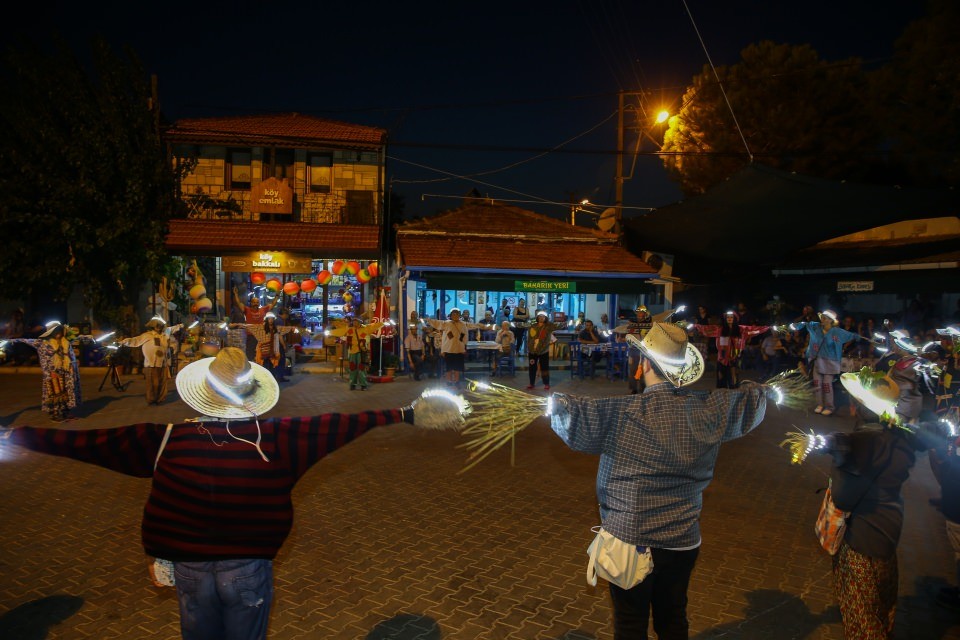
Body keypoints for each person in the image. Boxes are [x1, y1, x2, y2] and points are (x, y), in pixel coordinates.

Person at [0, 346, 435, 640]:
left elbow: (84, 442)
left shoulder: (165, 438)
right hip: (247, 565)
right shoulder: (280, 437)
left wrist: (17, 436)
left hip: (187, 567)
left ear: (204, 393)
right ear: (251, 391)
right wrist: (404, 412)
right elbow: (344, 423)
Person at [547, 322, 771, 639]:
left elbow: (572, 420)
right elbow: (753, 400)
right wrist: (756, 387)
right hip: (683, 539)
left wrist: (553, 403)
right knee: (673, 617)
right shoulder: (712, 409)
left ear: (645, 363)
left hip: (628, 539)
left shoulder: (620, 411)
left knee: (630, 622)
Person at [784, 373, 947, 639]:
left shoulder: (862, 446)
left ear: (857, 406)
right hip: (888, 533)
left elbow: (844, 498)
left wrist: (837, 463)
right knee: (882, 611)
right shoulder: (899, 437)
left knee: (864, 623)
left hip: (862, 542)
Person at [790, 309, 861, 415]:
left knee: (826, 384)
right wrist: (796, 326)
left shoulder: (837, 332)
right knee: (817, 384)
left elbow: (851, 335)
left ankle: (830, 407)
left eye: (825, 318)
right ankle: (820, 404)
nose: (822, 319)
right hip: (817, 360)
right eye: (822, 317)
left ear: (830, 320)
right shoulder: (815, 326)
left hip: (831, 362)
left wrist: (858, 336)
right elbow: (804, 324)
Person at [8, 320, 81, 422]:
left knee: (65, 392)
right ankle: (55, 414)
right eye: (56, 331)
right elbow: (26, 340)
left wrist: (89, 338)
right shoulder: (42, 343)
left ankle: (65, 413)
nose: (59, 334)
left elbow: (77, 339)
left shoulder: (64, 342)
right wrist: (12, 340)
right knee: (55, 393)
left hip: (64, 372)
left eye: (60, 331)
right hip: (51, 373)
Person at [693, 311, 769, 388]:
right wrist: (694, 326)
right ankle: (722, 395)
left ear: (735, 319)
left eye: (731, 317)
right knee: (721, 379)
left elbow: (753, 329)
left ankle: (734, 394)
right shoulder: (719, 329)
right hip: (722, 359)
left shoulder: (741, 330)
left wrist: (768, 328)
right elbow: (706, 329)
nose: (729, 319)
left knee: (733, 380)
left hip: (734, 358)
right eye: (728, 317)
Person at [120, 315, 182, 404]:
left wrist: (180, 326)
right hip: (151, 364)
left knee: (162, 383)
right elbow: (135, 341)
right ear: (153, 326)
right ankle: (152, 399)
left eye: (160, 325)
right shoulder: (147, 335)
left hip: (163, 363)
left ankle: (160, 399)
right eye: (157, 325)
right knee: (153, 383)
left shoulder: (165, 335)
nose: (159, 327)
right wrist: (123, 342)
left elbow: (172, 331)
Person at [424, 308, 480, 388]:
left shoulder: (463, 324)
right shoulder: (446, 323)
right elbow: (436, 323)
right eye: (453, 314)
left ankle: (456, 381)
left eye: (457, 314)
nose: (455, 316)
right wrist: (428, 320)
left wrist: (464, 347)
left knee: (457, 368)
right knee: (449, 368)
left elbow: (467, 333)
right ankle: (449, 381)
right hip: (449, 349)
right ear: (451, 316)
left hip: (459, 349)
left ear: (459, 315)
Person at [234, 313, 297, 383]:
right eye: (269, 318)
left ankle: (272, 380)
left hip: (273, 351)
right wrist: (236, 325)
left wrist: (292, 328)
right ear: (266, 319)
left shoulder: (276, 328)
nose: (271, 320)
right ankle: (266, 380)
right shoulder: (260, 328)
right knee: (265, 366)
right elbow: (249, 326)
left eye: (272, 319)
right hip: (263, 351)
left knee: (273, 366)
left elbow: (286, 329)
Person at [327, 316, 383, 390]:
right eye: (353, 321)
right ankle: (352, 384)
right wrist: (330, 332)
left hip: (361, 352)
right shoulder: (349, 329)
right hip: (352, 351)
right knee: (352, 368)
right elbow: (340, 331)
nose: (354, 322)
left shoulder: (365, 328)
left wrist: (382, 323)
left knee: (361, 368)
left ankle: (363, 385)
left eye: (356, 321)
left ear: (360, 322)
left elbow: (374, 326)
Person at [621, 305, 653, 394]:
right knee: (632, 370)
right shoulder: (632, 323)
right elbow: (627, 334)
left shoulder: (649, 323)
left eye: (642, 312)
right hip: (633, 350)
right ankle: (633, 389)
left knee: (644, 370)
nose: (640, 314)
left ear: (645, 313)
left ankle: (643, 388)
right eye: (639, 312)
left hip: (645, 351)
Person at [527, 310, 560, 390]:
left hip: (543, 351)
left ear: (545, 318)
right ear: (537, 317)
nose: (541, 318)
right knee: (532, 367)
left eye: (543, 317)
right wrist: (529, 346)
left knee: (544, 368)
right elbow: (530, 338)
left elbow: (558, 326)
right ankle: (531, 383)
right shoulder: (532, 326)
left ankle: (546, 383)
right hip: (532, 351)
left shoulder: (548, 326)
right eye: (540, 316)